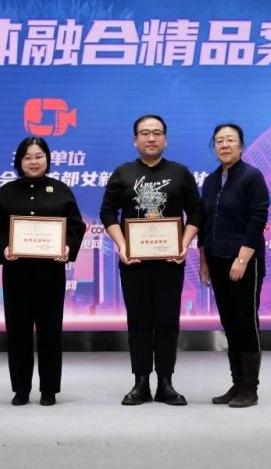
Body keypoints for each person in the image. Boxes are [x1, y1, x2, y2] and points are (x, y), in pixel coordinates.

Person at [99, 114, 203, 406]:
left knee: (168, 321)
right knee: (139, 321)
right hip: (134, 262)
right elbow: (107, 212)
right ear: (135, 140)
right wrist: (122, 245)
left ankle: (166, 382)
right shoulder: (123, 173)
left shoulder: (180, 173)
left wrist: (184, 244)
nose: (151, 138)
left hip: (171, 262)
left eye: (157, 132)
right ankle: (141, 382)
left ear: (166, 139)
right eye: (145, 133)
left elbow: (197, 212)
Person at [0, 137, 85, 406]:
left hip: (50, 272)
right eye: (27, 157)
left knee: (50, 330)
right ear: (19, 161)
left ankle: (49, 389)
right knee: (18, 331)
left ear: (47, 159)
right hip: (16, 272)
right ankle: (21, 389)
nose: (33, 162)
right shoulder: (7, 192)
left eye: (39, 156)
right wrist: (3, 248)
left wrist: (67, 247)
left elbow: (76, 226)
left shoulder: (60, 190)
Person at [198, 123, 270, 408]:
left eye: (230, 140)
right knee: (229, 323)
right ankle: (236, 383)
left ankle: (250, 388)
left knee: (246, 322)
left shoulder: (252, 176)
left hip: (244, 261)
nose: (224, 145)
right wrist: (204, 260)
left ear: (241, 145)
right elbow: (205, 223)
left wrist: (242, 259)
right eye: (219, 141)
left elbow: (258, 219)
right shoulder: (211, 181)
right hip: (216, 260)